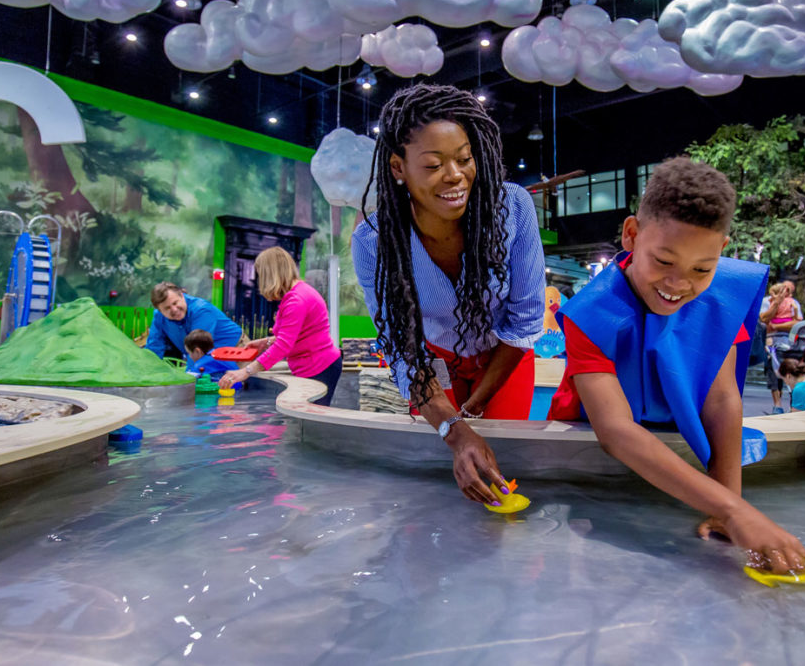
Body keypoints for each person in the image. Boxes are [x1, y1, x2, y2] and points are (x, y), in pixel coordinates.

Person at [548, 157, 805, 574]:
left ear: (721, 254)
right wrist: (733, 510)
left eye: (702, 269)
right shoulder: (592, 313)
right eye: (663, 261)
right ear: (632, 235)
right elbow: (616, 433)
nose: (678, 283)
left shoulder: (724, 298)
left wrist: (730, 500)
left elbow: (723, 397)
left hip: (674, 445)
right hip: (587, 451)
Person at [351, 84, 546, 507]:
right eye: (434, 164)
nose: (455, 175)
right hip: (434, 363)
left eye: (464, 158)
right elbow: (403, 349)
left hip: (506, 357)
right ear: (399, 167)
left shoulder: (512, 208)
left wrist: (475, 405)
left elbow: (527, 319)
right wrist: (453, 427)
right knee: (437, 473)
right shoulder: (374, 241)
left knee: (502, 470)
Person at [218, 247, 343, 405]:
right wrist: (266, 342)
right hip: (316, 364)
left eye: (261, 275)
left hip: (319, 367)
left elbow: (283, 345)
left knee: (311, 421)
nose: (259, 280)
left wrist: (245, 371)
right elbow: (299, 334)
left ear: (270, 274)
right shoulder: (298, 293)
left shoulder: (296, 300)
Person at [146, 282, 243, 362]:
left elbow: (199, 349)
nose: (174, 310)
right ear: (160, 310)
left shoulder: (201, 310)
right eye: (167, 308)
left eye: (175, 303)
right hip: (205, 357)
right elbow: (154, 347)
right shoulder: (159, 316)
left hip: (236, 352)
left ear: (182, 296)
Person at [759, 281, 804, 411]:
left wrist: (777, 326)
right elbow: (763, 319)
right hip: (770, 340)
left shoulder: (793, 303)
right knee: (773, 370)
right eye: (785, 289)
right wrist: (777, 302)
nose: (787, 292)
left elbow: (797, 323)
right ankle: (777, 405)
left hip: (788, 341)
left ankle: (794, 404)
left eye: (790, 290)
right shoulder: (767, 301)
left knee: (791, 369)